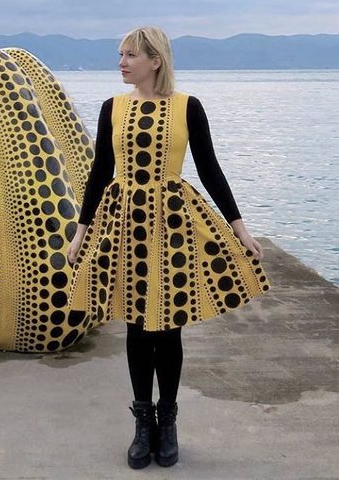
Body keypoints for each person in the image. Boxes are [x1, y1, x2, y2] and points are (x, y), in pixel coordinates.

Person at [67, 26, 270, 470]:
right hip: (123, 226)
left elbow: (210, 169)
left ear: (155, 60)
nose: (121, 63)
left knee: (168, 326)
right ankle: (143, 423)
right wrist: (81, 231)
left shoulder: (187, 107)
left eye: (130, 55)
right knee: (137, 327)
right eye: (120, 55)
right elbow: (101, 171)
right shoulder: (112, 108)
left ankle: (168, 420)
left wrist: (240, 229)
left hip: (172, 226)